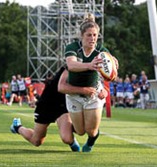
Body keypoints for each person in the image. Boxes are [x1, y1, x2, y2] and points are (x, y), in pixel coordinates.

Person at [61, 13, 118, 152]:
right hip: (74, 94)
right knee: (80, 131)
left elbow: (111, 72)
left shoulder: (101, 51)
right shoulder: (72, 47)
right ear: (82, 36)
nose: (92, 38)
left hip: (93, 93)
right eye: (89, 35)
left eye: (95, 35)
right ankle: (64, 126)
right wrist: (89, 65)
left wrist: (113, 69)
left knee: (91, 132)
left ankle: (90, 144)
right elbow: (72, 65)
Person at [10, 66, 101, 151]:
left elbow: (98, 82)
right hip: (47, 104)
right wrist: (85, 90)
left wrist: (102, 90)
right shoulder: (71, 66)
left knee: (67, 138)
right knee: (36, 141)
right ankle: (17, 127)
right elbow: (61, 88)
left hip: (62, 105)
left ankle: (75, 143)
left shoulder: (91, 69)